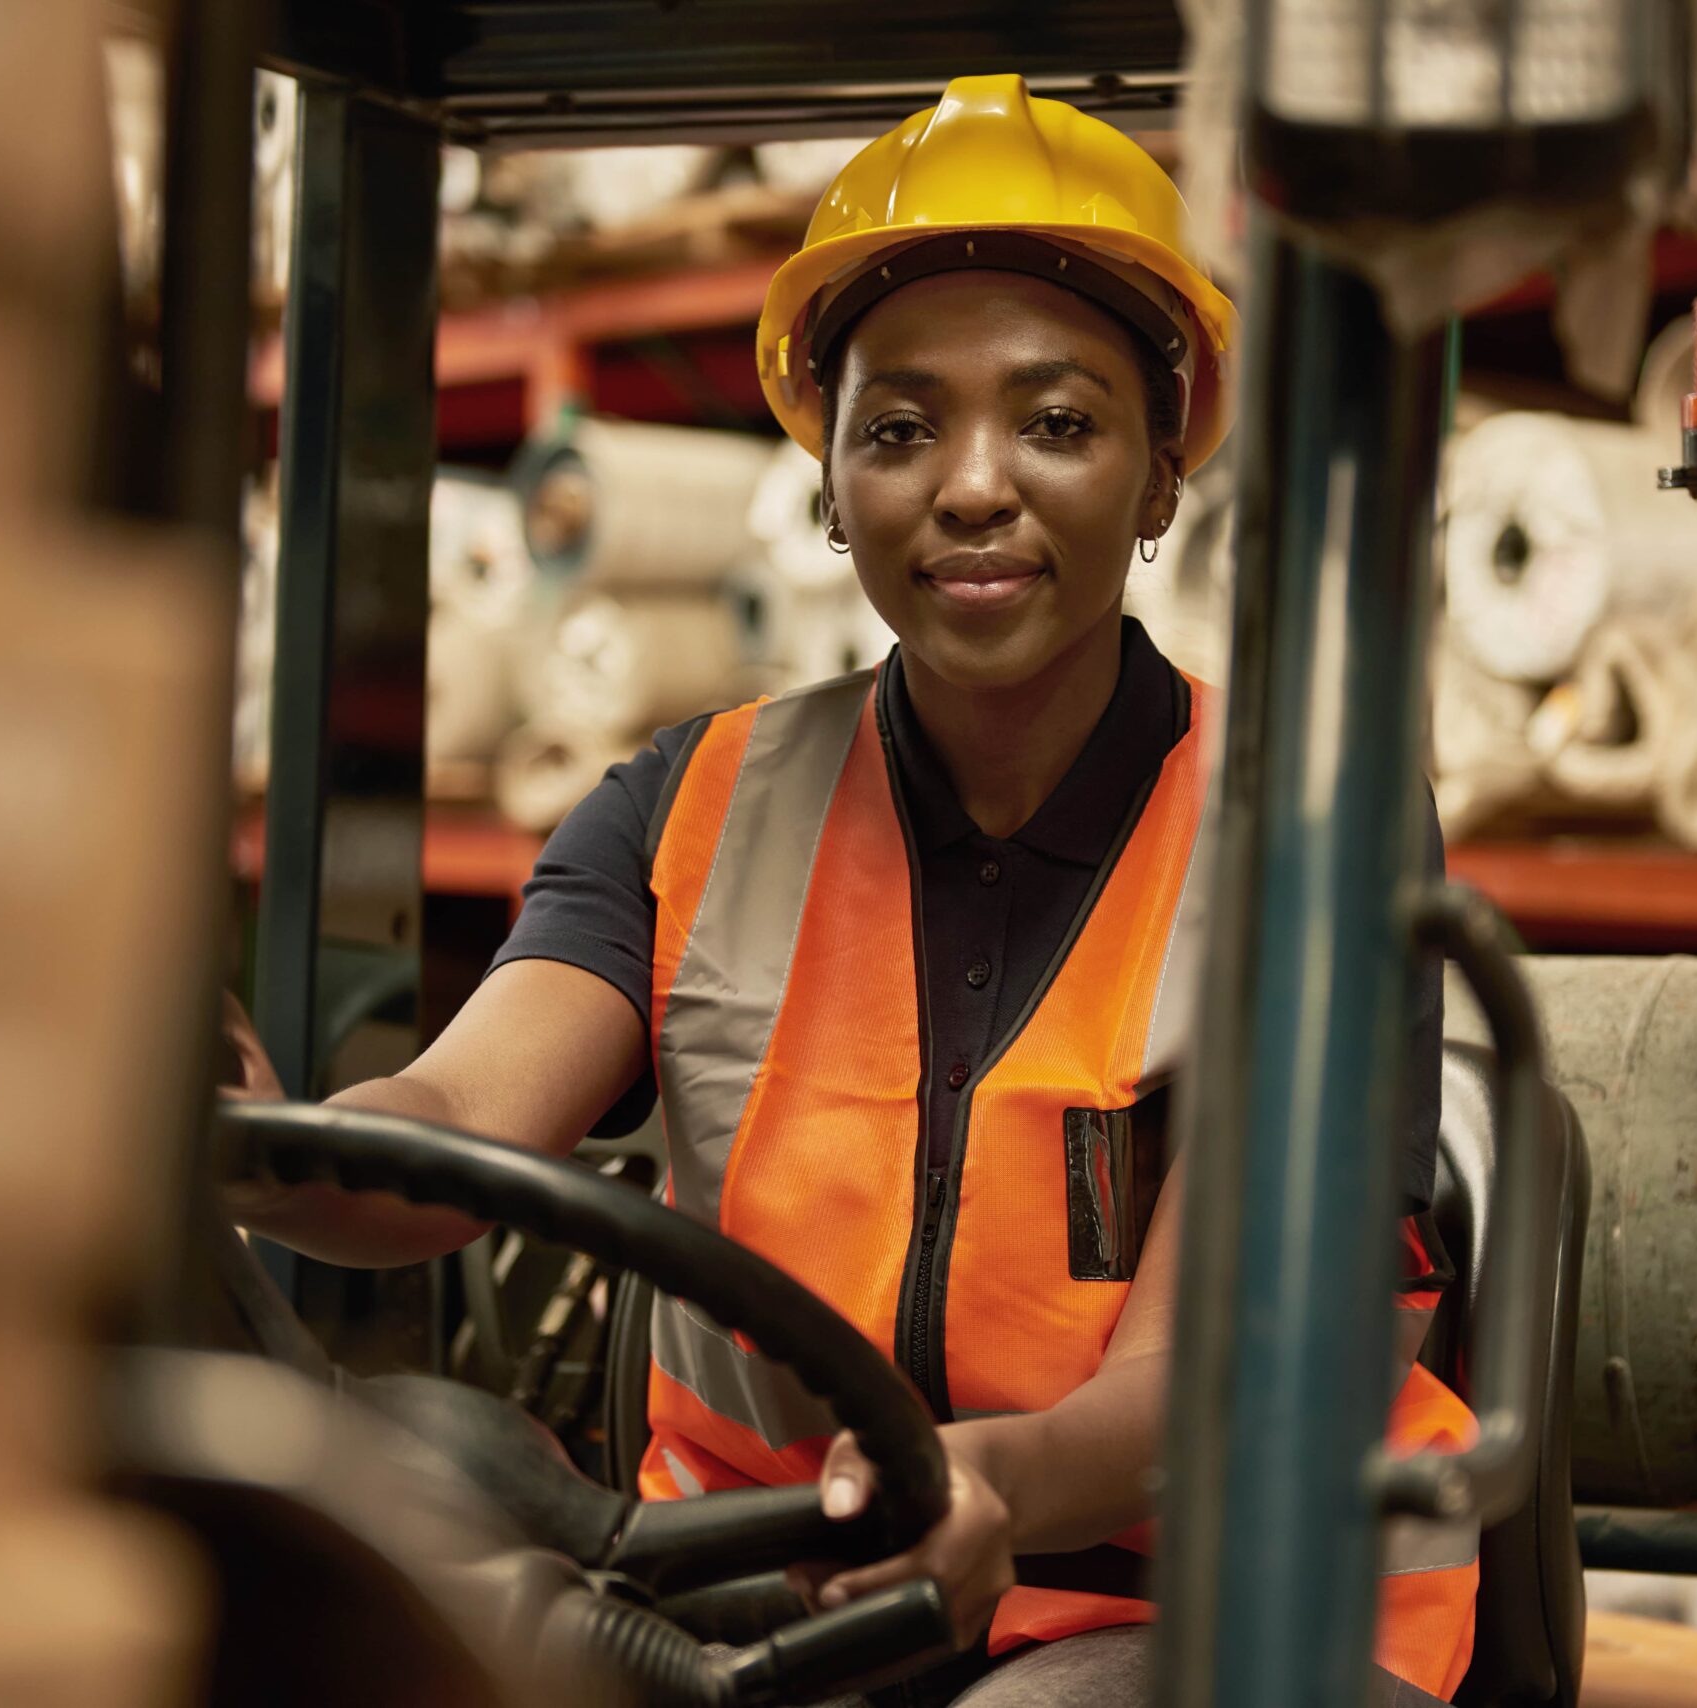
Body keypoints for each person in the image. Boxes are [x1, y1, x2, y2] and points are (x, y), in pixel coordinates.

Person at [222, 74, 1478, 1706]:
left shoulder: (1312, 837)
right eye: (898, 428)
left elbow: (1217, 1367)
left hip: (1199, 1613)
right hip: (756, 1589)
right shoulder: (688, 807)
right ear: (827, 481)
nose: (971, 486)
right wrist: (248, 1138)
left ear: (1165, 474)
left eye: (1058, 421)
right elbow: (450, 1129)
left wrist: (989, 1486)